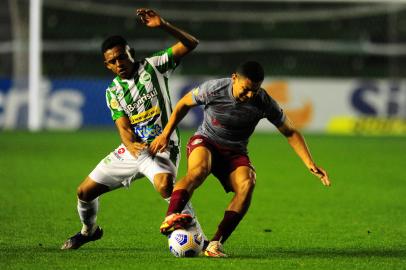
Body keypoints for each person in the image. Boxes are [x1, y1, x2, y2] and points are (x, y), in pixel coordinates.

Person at [149, 60, 331, 257]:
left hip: (235, 151)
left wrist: (309, 162)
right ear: (234, 78)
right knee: (198, 171)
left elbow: (289, 130)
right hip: (206, 140)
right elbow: (184, 103)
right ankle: (172, 216)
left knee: (247, 184)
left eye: (255, 89)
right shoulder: (214, 89)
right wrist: (166, 134)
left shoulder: (263, 101)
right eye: (246, 89)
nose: (250, 95)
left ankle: (215, 243)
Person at [61, 8, 205, 250]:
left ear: (131, 53)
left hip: (163, 146)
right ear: (107, 65)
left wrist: (164, 25)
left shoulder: (155, 66)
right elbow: (124, 127)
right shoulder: (113, 92)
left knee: (165, 187)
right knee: (84, 192)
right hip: (132, 150)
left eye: (122, 57)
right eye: (112, 61)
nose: (119, 64)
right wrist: (131, 146)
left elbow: (191, 43)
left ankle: (200, 238)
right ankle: (90, 231)